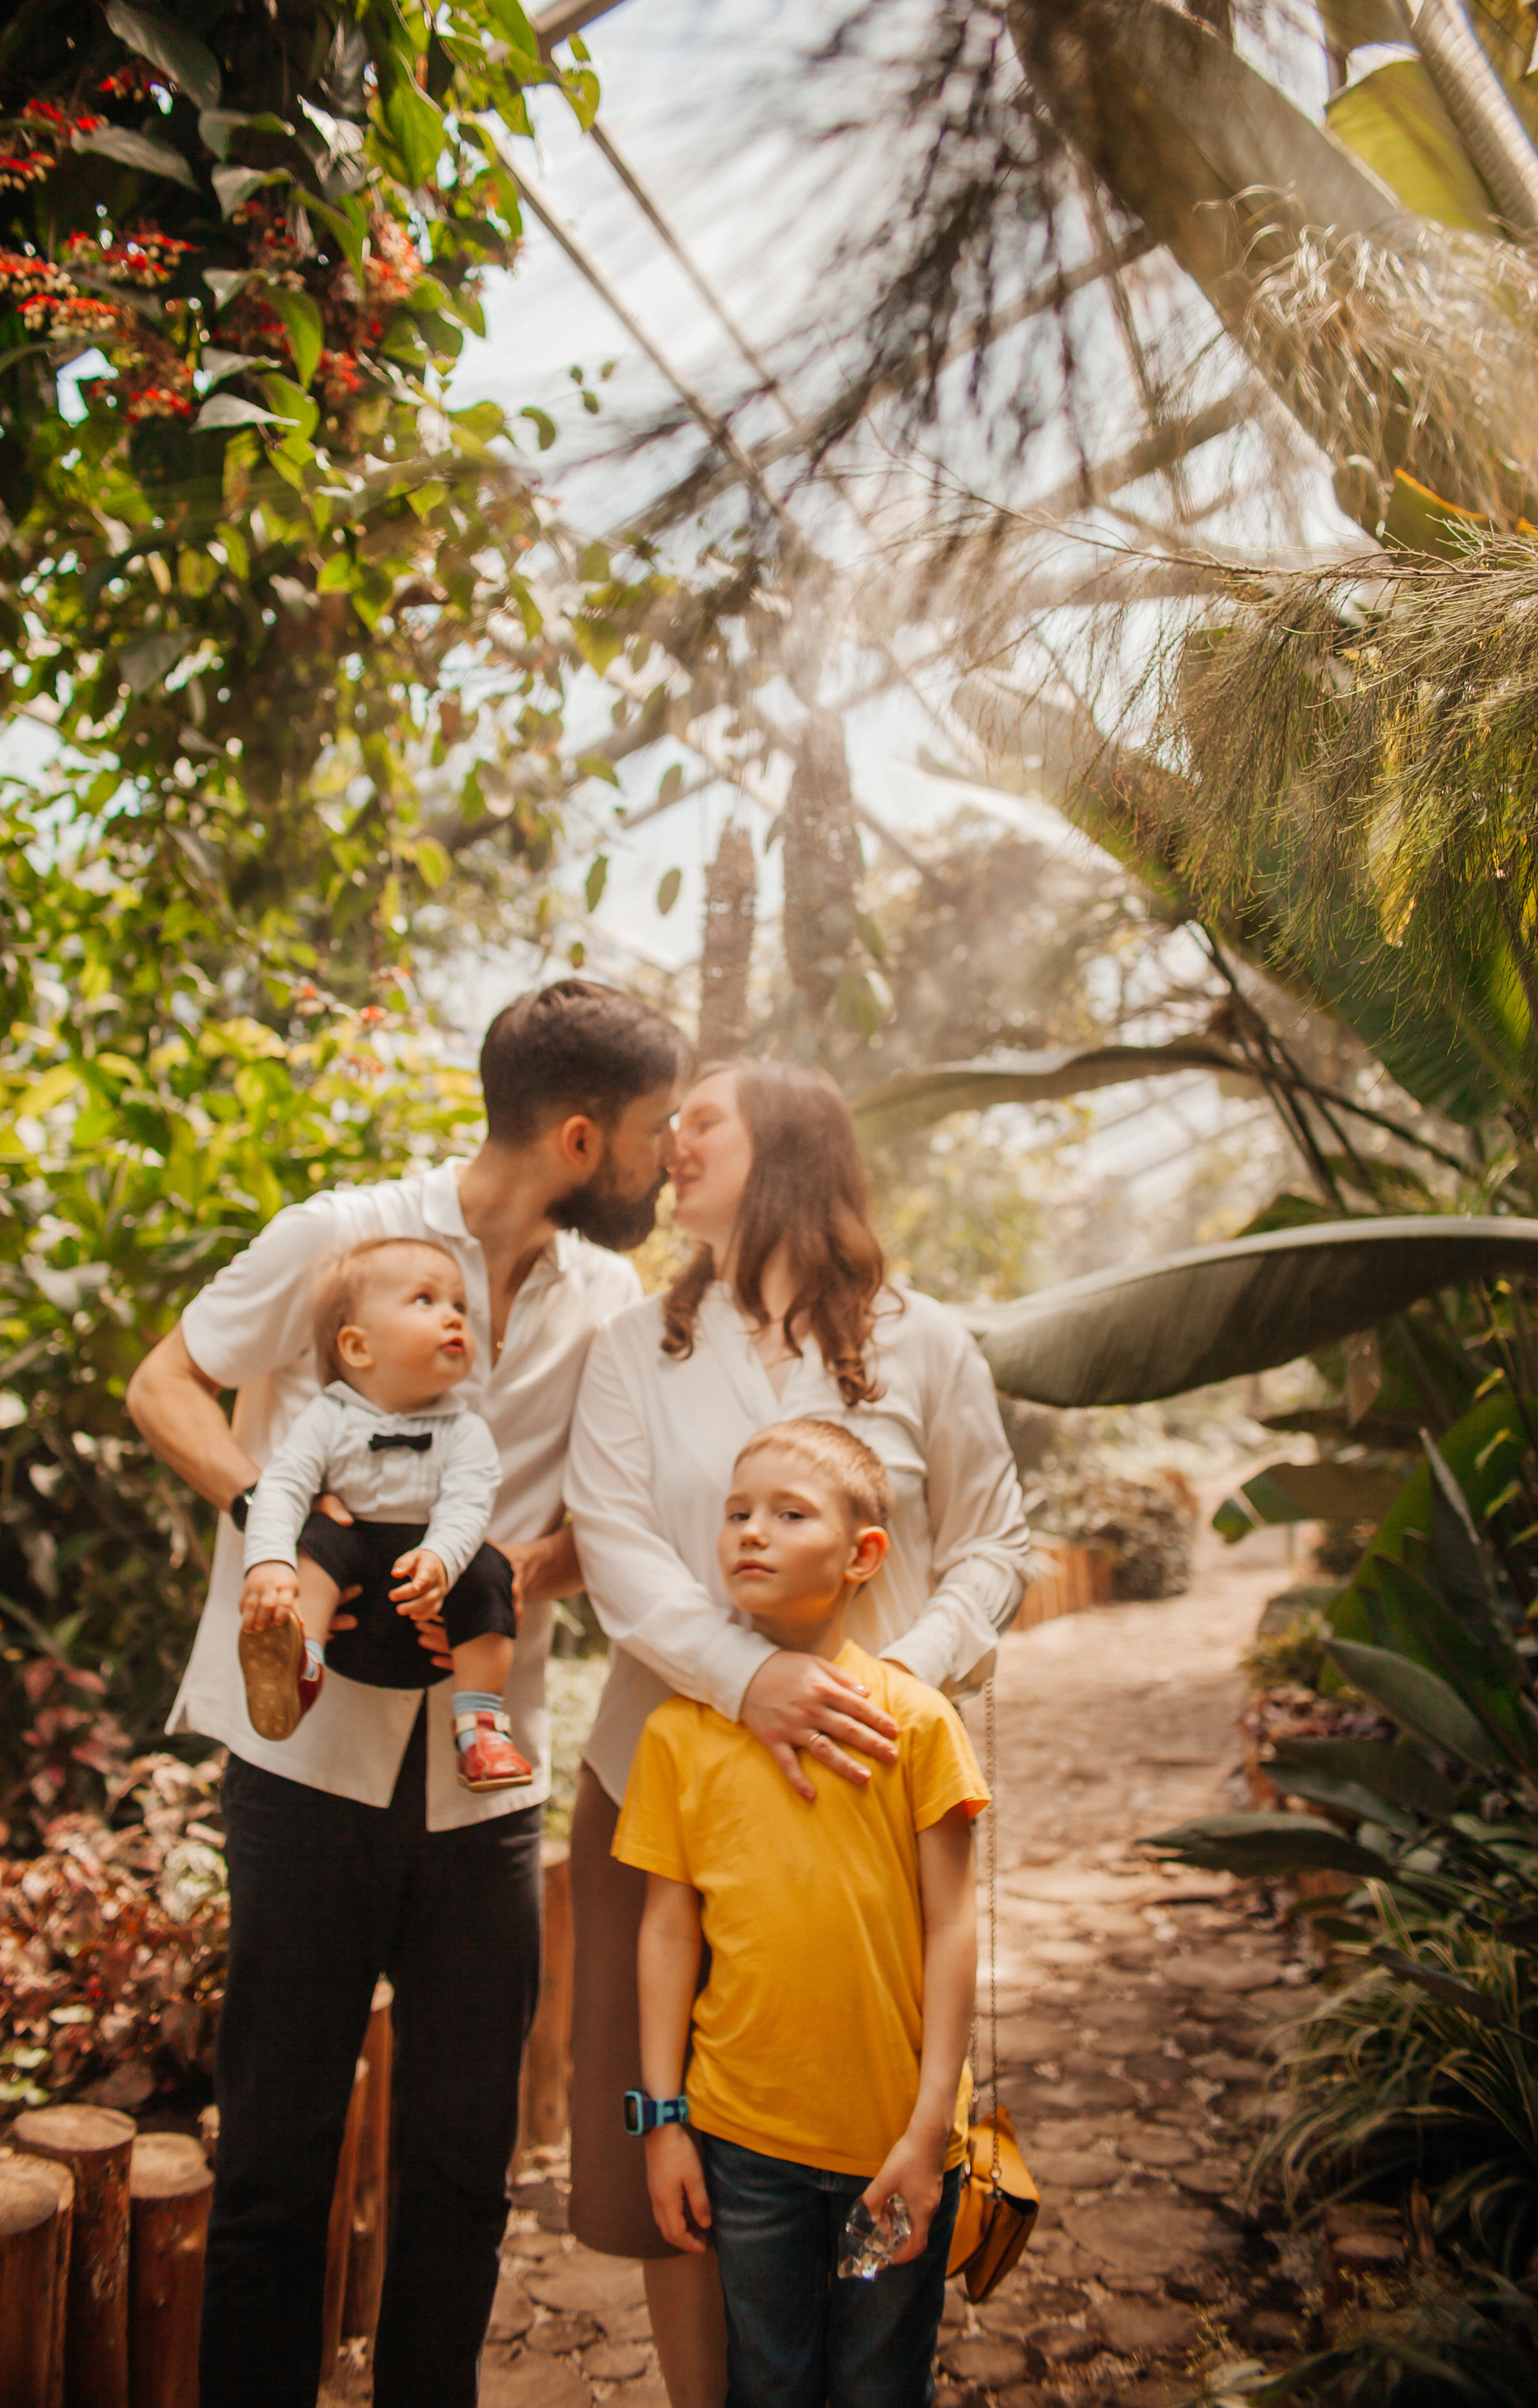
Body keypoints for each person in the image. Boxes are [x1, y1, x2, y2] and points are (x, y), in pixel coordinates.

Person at [124, 978, 687, 2408]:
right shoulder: (337, 1238)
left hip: (484, 1782)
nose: (661, 1160)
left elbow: (604, 1527)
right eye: (647, 1134)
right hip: (305, 1766)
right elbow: (163, 1387)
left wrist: (498, 1565)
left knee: (458, 2172)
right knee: (271, 2165)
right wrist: (287, 1525)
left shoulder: (609, 1298)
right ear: (576, 1136)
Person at [563, 1059, 1036, 2408]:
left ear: (788, 1146)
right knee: (676, 2158)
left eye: (699, 1121)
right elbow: (616, 1549)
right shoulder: (630, 1352)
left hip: (873, 1802)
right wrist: (743, 1681)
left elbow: (995, 1539)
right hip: (663, 1787)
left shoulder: (921, 1341)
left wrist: (889, 1684)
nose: (668, 1145)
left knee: (872, 2117)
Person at [616, 1416, 986, 2408]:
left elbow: (954, 1927)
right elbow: (666, 1930)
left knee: (877, 2381)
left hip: (892, 2153)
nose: (751, 1532)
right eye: (737, 1512)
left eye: (788, 1513)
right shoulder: (679, 1735)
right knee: (769, 2379)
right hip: (746, 2149)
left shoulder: (915, 1722)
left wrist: (929, 2129)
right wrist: (663, 2122)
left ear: (865, 1553)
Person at [239, 1234, 531, 1792]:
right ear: (357, 1347)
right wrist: (269, 1563)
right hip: (355, 1563)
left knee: (492, 1569)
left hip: (427, 1569)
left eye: (460, 1307)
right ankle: (299, 1657)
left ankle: (480, 1727)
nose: (453, 1318)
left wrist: (442, 1561)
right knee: (317, 1541)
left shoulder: (466, 1430)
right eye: (426, 1301)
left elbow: (468, 1503)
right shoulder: (326, 1416)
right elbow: (282, 1484)